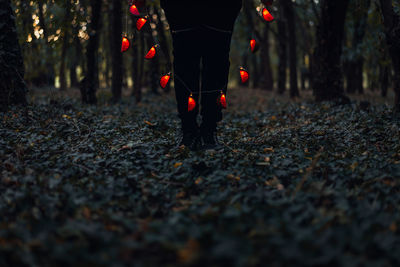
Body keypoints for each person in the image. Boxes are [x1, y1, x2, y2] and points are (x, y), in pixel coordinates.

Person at [160, 0, 243, 151]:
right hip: (181, 10)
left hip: (221, 10)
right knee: (185, 65)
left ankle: (208, 130)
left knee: (216, 64)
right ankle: (189, 129)